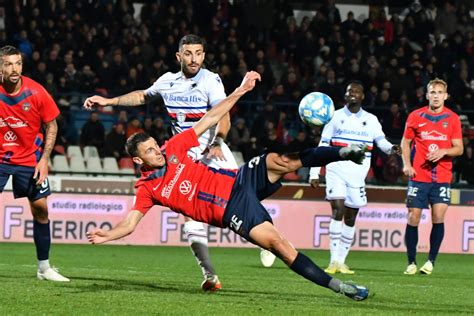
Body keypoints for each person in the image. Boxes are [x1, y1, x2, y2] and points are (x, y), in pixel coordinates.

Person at [87, 71, 369, 301]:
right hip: (232, 210)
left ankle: (344, 152)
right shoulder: (147, 188)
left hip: (240, 180)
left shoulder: (173, 148)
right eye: (149, 151)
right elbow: (130, 224)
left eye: (154, 146)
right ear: (139, 160)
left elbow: (210, 117)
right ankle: (339, 287)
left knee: (281, 160)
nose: (157, 151)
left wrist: (241, 90)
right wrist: (107, 235)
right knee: (280, 246)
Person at [83, 34, 274, 290]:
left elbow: (222, 113)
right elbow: (142, 96)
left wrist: (218, 141)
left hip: (211, 148)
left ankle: (268, 237)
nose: (193, 58)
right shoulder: (167, 82)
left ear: (204, 55)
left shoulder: (210, 80)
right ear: (179, 56)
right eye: (188, 53)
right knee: (190, 217)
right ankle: (210, 276)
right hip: (183, 154)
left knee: (245, 193)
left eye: (198, 53)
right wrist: (109, 101)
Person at [309, 82, 400, 275]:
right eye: (350, 91)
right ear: (345, 95)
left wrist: (392, 148)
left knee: (350, 217)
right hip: (336, 170)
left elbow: (381, 141)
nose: (353, 94)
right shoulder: (334, 117)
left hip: (357, 175)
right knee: (338, 209)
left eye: (357, 91)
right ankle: (333, 261)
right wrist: (314, 172)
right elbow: (323, 144)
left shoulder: (371, 120)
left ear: (363, 96)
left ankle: (341, 262)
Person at [0, 45, 69, 281]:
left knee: (41, 210)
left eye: (18, 63)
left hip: (30, 159)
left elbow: (52, 124)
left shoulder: (36, 92)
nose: (14, 69)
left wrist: (44, 159)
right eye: (8, 64)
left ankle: (44, 267)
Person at [401, 78, 463, 275]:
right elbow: (405, 143)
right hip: (419, 175)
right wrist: (407, 165)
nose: (436, 96)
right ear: (427, 95)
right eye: (432, 92)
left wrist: (443, 152)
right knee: (413, 216)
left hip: (442, 177)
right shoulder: (415, 116)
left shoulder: (452, 118)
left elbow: (459, 148)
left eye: (439, 92)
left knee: (438, 217)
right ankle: (411, 262)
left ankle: (430, 262)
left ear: (446, 96)